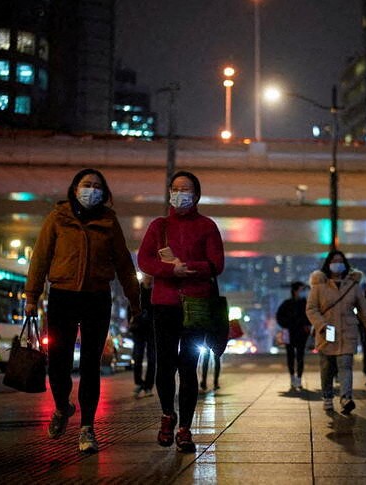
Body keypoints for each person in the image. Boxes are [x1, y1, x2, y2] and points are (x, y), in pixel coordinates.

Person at [25, 168, 140, 454]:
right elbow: (40, 257)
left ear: (104, 192)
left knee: (91, 365)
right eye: (86, 184)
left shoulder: (109, 222)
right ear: (75, 189)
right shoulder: (58, 217)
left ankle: (87, 428)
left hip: (97, 298)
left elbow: (124, 264)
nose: (92, 189)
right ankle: (62, 406)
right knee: (59, 362)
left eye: (97, 186)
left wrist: (135, 300)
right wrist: (31, 296)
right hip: (62, 296)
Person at [137, 170, 225, 453]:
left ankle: (185, 428)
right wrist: (169, 270)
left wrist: (189, 268)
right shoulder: (158, 225)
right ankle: (167, 415)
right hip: (163, 305)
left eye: (186, 189)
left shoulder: (208, 226)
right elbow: (144, 259)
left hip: (196, 306)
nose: (180, 194)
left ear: (196, 195)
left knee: (188, 367)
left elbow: (216, 264)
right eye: (175, 189)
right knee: (164, 365)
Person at [306, 250, 366, 414]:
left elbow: (364, 311)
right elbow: (311, 309)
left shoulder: (352, 286)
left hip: (347, 331)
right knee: (327, 367)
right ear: (328, 264)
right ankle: (327, 396)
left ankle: (346, 398)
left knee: (345, 365)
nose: (337, 264)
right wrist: (321, 325)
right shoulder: (319, 285)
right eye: (334, 260)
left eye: (340, 260)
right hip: (327, 331)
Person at [276, 281, 312, 390]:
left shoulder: (306, 303)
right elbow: (279, 316)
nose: (303, 292)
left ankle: (299, 379)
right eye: (301, 290)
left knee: (300, 356)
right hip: (289, 332)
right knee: (290, 356)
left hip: (302, 333)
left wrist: (307, 325)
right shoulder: (286, 303)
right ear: (295, 291)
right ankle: (292, 378)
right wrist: (286, 324)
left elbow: (310, 316)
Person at [132, 274, 156, 399]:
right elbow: (131, 306)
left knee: (152, 359)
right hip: (139, 329)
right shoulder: (138, 290)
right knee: (137, 357)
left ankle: (148, 386)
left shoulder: (155, 292)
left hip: (152, 330)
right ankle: (139, 383)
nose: (149, 278)